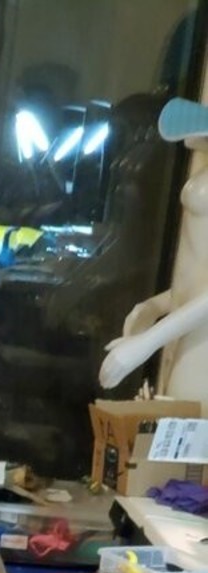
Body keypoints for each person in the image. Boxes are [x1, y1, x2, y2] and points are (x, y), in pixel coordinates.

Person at [99, 97, 208, 401]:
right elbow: (196, 275)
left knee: (182, 412)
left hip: (200, 342)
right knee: (169, 414)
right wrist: (154, 307)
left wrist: (147, 343)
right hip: (184, 327)